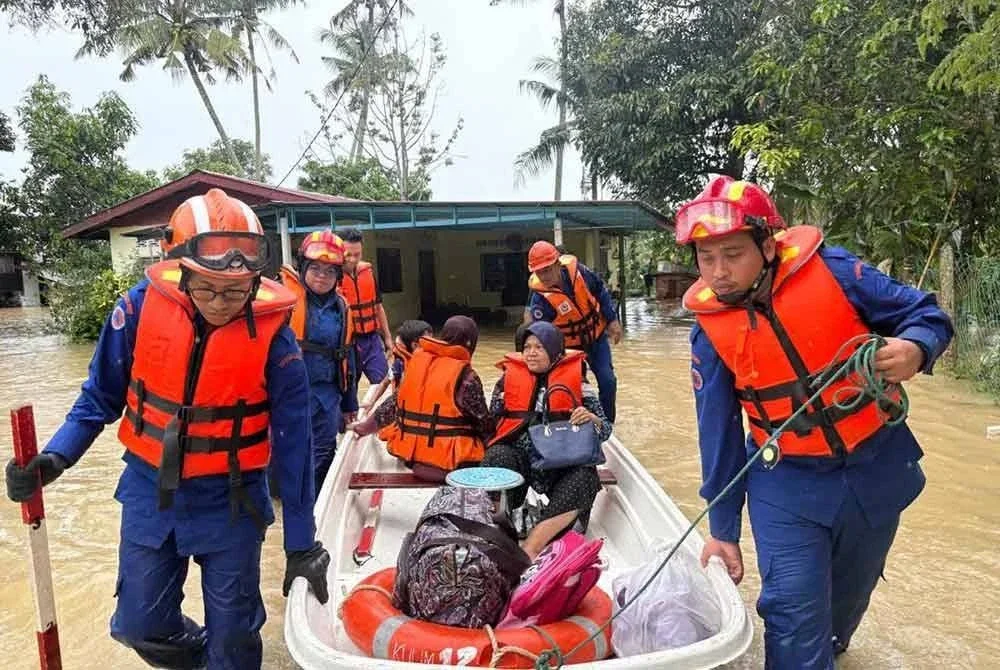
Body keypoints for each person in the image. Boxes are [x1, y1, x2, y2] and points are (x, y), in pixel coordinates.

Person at [4, 188, 330, 670]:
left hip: (233, 499)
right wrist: (57, 456)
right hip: (149, 489)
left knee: (234, 642)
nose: (221, 303)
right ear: (180, 272)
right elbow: (100, 395)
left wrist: (301, 542)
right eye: (207, 288)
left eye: (235, 291)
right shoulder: (137, 310)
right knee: (138, 625)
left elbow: (295, 442)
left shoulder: (275, 335)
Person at [678, 176, 954, 669]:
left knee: (844, 606)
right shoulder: (709, 333)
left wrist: (916, 347)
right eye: (706, 257)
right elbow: (717, 434)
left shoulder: (836, 272)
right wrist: (723, 529)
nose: (718, 272)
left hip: (875, 468)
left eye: (733, 254)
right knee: (791, 615)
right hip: (785, 483)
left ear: (767, 246)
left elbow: (926, 314)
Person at [482, 321, 612, 560]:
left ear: (554, 351)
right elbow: (493, 423)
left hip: (560, 464)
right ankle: (498, 525)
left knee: (585, 476)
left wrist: (590, 418)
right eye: (527, 347)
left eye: (539, 347)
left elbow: (605, 430)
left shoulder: (578, 383)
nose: (531, 352)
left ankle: (532, 545)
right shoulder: (506, 380)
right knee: (496, 455)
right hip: (522, 463)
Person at [350, 316, 492, 482]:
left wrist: (363, 428)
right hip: (452, 466)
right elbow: (484, 424)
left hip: (411, 460)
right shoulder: (467, 377)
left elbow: (391, 406)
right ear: (470, 343)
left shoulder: (416, 363)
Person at [279, 230, 359, 492]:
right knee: (290, 457)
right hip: (288, 395)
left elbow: (347, 357)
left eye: (330, 271)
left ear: (338, 275)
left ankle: (315, 507)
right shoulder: (282, 304)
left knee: (322, 456)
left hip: (327, 396)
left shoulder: (341, 308)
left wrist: (349, 403)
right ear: (303, 268)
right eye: (315, 269)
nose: (322, 276)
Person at [523, 241, 622, 422]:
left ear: (557, 263)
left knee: (608, 381)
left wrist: (612, 319)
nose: (543, 276)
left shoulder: (580, 273)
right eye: (539, 272)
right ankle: (579, 421)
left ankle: (607, 423)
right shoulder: (540, 299)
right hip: (569, 349)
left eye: (547, 270)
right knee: (575, 388)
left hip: (596, 338)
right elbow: (542, 334)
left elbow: (600, 290)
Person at [339, 227, 394, 385]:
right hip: (348, 342)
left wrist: (388, 337)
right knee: (348, 388)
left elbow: (378, 307)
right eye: (348, 255)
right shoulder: (333, 278)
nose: (352, 260)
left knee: (384, 382)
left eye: (357, 254)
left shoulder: (368, 272)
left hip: (372, 339)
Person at [364, 319, 433, 408]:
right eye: (430, 342)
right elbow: (385, 382)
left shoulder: (433, 361)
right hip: (404, 406)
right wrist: (371, 403)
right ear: (415, 345)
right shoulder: (400, 364)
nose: (434, 345)